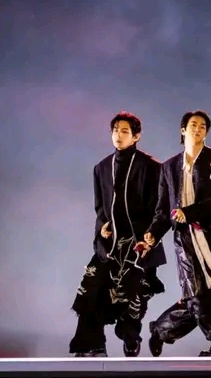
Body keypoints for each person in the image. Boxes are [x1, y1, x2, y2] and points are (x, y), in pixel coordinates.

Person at [140, 110, 211, 357]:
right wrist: (152, 235)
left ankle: (161, 329)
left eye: (203, 126)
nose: (198, 129)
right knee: (198, 297)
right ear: (183, 130)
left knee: (205, 297)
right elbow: (163, 210)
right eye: (193, 125)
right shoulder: (169, 166)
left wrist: (189, 212)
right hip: (185, 241)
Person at [70, 111, 166, 357]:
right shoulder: (102, 168)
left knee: (133, 295)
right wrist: (102, 225)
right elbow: (100, 208)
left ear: (136, 136)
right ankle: (92, 345)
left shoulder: (152, 167)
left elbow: (160, 207)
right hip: (110, 245)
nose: (118, 135)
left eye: (125, 131)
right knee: (91, 288)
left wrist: (151, 235)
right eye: (115, 130)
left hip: (139, 244)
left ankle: (131, 336)